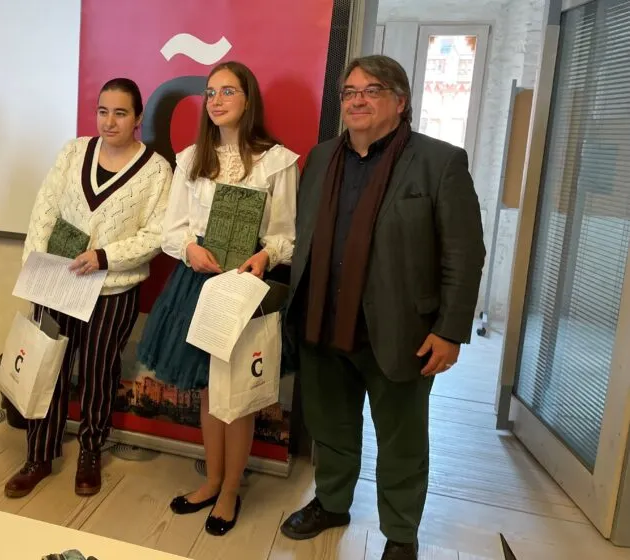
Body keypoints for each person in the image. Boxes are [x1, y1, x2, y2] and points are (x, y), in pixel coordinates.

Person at [279, 55, 485, 560]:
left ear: (400, 101)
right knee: (330, 428)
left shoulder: (440, 161)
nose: (357, 100)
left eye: (371, 90)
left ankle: (400, 534)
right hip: (322, 322)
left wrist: (450, 330)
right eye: (349, 92)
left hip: (400, 331)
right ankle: (331, 503)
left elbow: (464, 252)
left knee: (402, 443)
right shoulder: (322, 157)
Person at [137, 61, 298, 536]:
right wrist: (189, 248)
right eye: (210, 93)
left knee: (238, 394)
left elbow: (287, 234)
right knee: (209, 388)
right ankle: (211, 480)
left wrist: (265, 257)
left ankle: (231, 490)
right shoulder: (189, 158)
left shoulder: (278, 161)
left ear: (249, 99)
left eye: (228, 91)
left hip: (247, 284)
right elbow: (172, 231)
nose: (217, 100)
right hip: (198, 280)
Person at [5, 78, 173, 499]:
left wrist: (105, 256)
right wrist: (35, 266)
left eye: (120, 113)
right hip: (57, 280)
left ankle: (90, 453)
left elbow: (157, 234)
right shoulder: (73, 151)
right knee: (49, 368)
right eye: (103, 111)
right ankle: (38, 455)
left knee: (99, 375)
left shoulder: (156, 170)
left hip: (110, 289)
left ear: (137, 119)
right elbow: (44, 207)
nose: (109, 121)